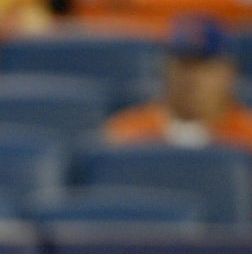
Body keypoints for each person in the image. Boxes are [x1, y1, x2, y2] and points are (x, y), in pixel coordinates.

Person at [105, 14, 252, 152]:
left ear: (229, 72)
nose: (192, 78)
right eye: (183, 65)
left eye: (204, 67)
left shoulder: (247, 136)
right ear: (164, 69)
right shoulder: (127, 133)